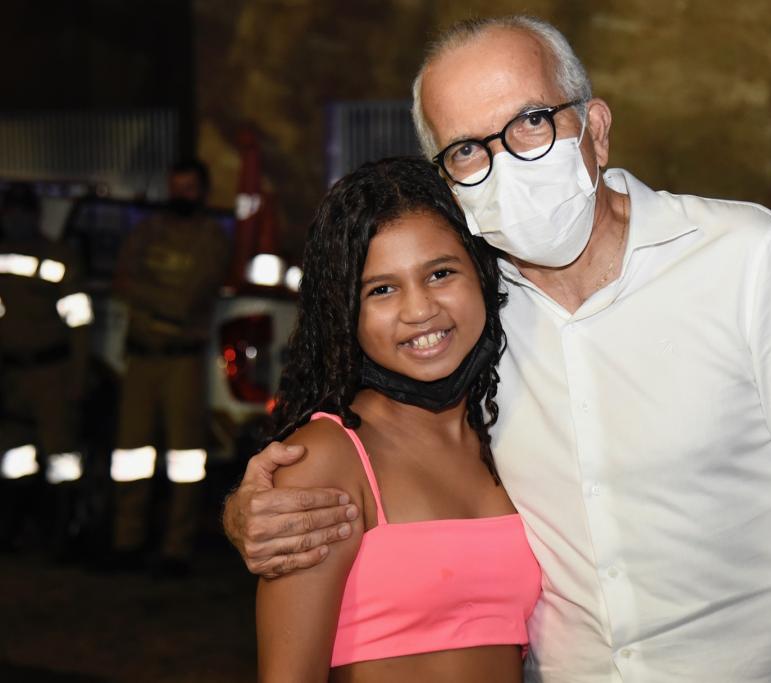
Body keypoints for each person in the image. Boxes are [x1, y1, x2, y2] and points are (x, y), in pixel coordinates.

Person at [224, 16, 771, 681]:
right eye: (467, 149)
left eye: (531, 120)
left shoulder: (745, 258)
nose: (506, 163)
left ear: (596, 129)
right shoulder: (471, 318)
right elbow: (378, 462)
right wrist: (247, 510)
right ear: (449, 182)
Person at [256, 156, 540, 681]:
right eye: (382, 289)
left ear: (481, 274)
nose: (420, 309)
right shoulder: (326, 458)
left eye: (440, 273)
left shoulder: (506, 436)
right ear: (345, 312)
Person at [108, 159, 231, 574]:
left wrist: (148, 297)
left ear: (203, 192)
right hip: (141, 358)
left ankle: (177, 548)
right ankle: (126, 541)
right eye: (175, 187)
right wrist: (162, 301)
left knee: (185, 459)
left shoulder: (211, 238)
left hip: (183, 361)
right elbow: (121, 281)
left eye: (189, 187)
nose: (181, 195)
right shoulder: (146, 231)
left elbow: (188, 299)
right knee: (130, 455)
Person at [0, 182, 92, 550]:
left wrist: (78, 377)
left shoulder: (59, 256)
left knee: (61, 457)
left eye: (23, 210)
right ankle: (15, 531)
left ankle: (63, 534)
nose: (16, 218)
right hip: (11, 374)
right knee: (13, 456)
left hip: (52, 372)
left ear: (35, 214)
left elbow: (80, 322)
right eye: (11, 210)